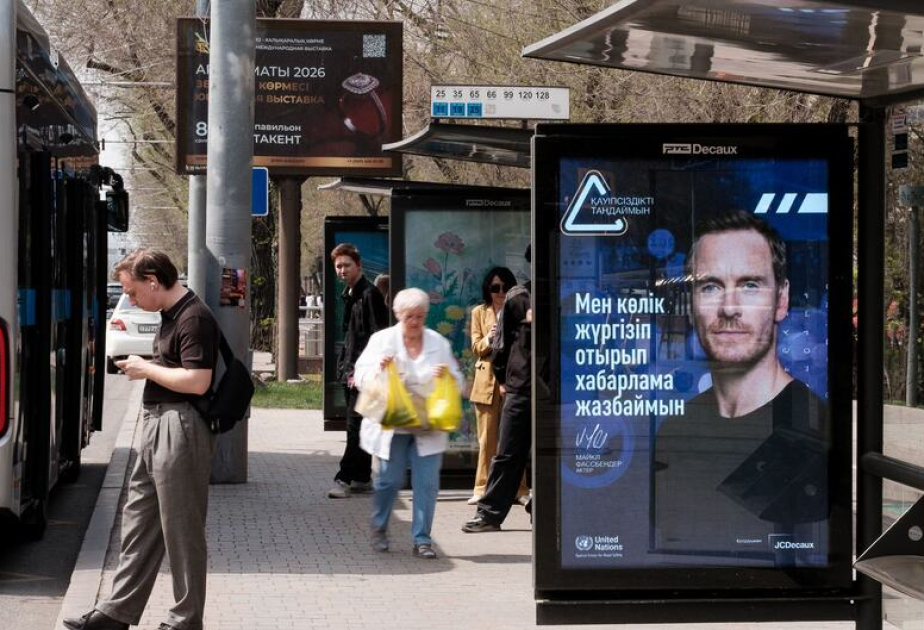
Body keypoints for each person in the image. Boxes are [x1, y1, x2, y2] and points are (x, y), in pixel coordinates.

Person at [654, 211, 828, 560]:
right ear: (692, 303)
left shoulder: (813, 423)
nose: (729, 308)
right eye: (710, 287)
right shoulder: (674, 428)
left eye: (750, 285)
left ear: (782, 300)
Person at [65, 249, 219, 630]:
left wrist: (145, 369)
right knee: (137, 523)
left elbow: (198, 381)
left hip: (179, 427)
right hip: (158, 425)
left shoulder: (194, 317)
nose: (131, 300)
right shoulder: (171, 314)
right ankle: (116, 613)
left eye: (132, 292)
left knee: (182, 532)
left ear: (153, 281)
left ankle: (186, 621)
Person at [354, 288, 464, 558]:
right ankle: (379, 527)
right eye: (409, 317)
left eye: (420, 316)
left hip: (428, 424)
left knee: (427, 484)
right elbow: (360, 377)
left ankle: (422, 539)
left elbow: (459, 382)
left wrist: (447, 377)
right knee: (389, 481)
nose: (415, 322)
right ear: (397, 315)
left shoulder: (438, 343)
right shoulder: (382, 340)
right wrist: (379, 369)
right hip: (394, 423)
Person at [463, 246, 533, 533]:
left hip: (556, 390)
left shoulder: (568, 294)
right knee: (506, 451)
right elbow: (500, 347)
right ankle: (489, 513)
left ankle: (539, 506)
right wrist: (504, 379)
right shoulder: (519, 297)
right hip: (520, 387)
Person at [328, 243, 389, 499]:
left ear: (358, 265)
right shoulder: (352, 293)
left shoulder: (369, 294)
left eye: (347, 265)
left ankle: (343, 478)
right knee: (361, 424)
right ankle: (362, 477)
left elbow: (377, 335)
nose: (342, 270)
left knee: (355, 425)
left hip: (363, 374)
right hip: (351, 370)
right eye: (338, 266)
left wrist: (362, 371)